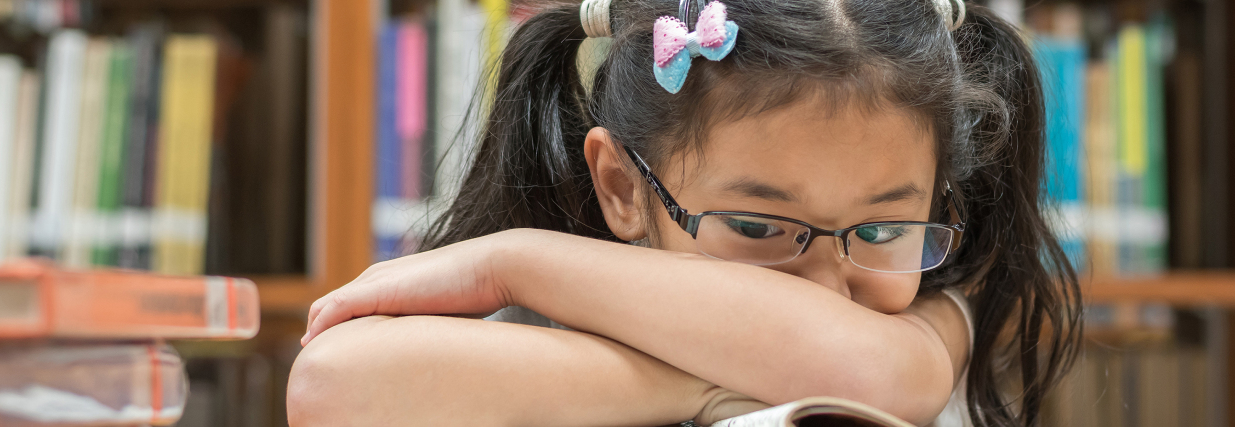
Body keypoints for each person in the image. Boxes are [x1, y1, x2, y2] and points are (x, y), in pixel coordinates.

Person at [286, 0, 1082, 425]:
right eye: (762, 229)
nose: (824, 290)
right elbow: (332, 388)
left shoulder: (945, 314)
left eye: (879, 230)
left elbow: (869, 369)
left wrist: (516, 257)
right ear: (624, 189)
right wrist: (709, 386)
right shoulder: (546, 334)